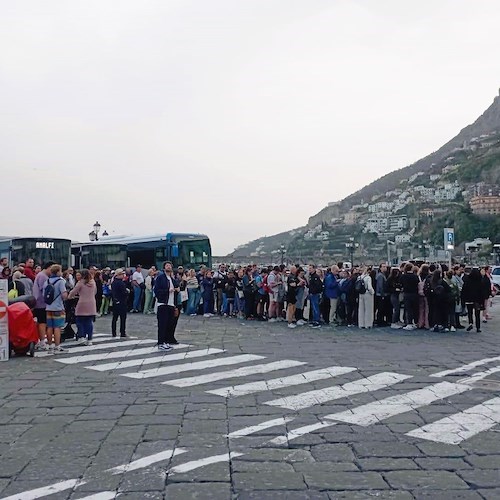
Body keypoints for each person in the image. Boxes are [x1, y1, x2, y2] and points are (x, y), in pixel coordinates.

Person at [154, 261, 181, 350]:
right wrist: (167, 291)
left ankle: (166, 341)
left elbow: (178, 287)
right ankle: (161, 342)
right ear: (164, 267)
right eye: (167, 266)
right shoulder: (160, 278)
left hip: (171, 304)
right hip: (163, 303)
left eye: (170, 266)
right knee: (162, 324)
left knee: (169, 324)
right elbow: (157, 291)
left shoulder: (172, 278)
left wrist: (177, 289)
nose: (168, 267)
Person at [68, 269, 97, 345]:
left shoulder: (80, 283)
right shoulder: (93, 282)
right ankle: (90, 339)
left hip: (82, 303)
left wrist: (69, 296)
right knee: (89, 321)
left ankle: (82, 336)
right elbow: (95, 292)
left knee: (79, 320)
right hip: (91, 303)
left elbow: (73, 292)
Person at [44, 264, 68, 353]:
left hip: (48, 307)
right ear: (58, 272)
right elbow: (64, 295)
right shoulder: (61, 281)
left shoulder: (47, 281)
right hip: (58, 307)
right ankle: (57, 346)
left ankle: (50, 345)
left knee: (49, 327)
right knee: (57, 327)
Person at [32, 261, 55, 351]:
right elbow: (45, 291)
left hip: (40, 302)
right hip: (41, 303)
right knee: (42, 322)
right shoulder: (43, 276)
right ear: (48, 267)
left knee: (41, 322)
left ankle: (40, 340)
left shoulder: (42, 275)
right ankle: (42, 341)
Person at [462, 268, 483, 333]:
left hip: (469, 299)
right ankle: (478, 327)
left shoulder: (468, 280)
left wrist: (463, 299)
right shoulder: (480, 281)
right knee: (477, 314)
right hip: (477, 300)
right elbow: (482, 292)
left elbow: (464, 290)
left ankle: (470, 323)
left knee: (470, 312)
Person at [111, 268, 128, 338]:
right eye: (122, 274)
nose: (123, 275)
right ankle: (122, 332)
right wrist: (127, 292)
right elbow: (124, 292)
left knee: (114, 318)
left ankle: (113, 332)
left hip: (115, 302)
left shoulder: (113, 282)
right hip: (122, 302)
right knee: (123, 318)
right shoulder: (121, 283)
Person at [401, 263, 419, 330]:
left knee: (408, 309)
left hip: (407, 294)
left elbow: (401, 284)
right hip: (414, 294)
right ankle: (415, 322)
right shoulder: (415, 276)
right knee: (415, 309)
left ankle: (409, 323)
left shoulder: (403, 276)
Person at [308, 264, 323, 328]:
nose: (309, 270)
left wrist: (313, 292)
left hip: (314, 294)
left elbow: (317, 286)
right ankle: (314, 319)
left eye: (310, 268)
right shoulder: (311, 276)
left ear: (314, 269)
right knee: (313, 308)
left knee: (315, 307)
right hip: (312, 294)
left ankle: (317, 320)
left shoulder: (315, 277)